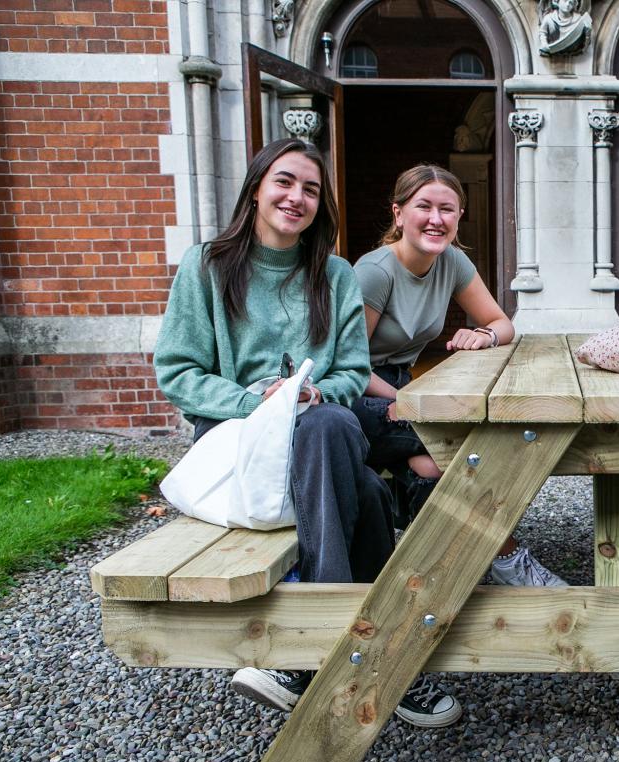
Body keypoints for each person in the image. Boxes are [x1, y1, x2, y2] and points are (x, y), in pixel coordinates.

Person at [153, 139, 460, 728]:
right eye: (285, 182)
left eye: (311, 189)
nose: (297, 197)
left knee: (428, 432)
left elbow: (349, 371)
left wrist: (317, 392)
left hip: (325, 423)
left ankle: (323, 655)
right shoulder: (208, 265)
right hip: (241, 438)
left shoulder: (336, 274)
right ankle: (375, 657)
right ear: (257, 188)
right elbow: (178, 371)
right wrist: (254, 400)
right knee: (357, 473)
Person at [350, 163, 568, 588]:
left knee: (431, 464)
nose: (436, 219)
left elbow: (503, 324)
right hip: (357, 393)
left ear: (459, 216)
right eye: (424, 207)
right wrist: (408, 399)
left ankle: (431, 571)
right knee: (464, 443)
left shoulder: (452, 261)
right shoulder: (374, 272)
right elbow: (350, 365)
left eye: (447, 209)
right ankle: (503, 558)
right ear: (398, 214)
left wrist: (481, 335)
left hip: (400, 384)